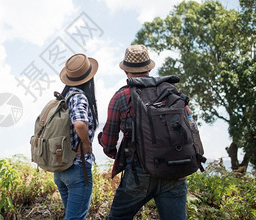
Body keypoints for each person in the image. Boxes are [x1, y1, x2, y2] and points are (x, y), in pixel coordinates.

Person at [98, 44, 189, 220]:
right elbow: (189, 123)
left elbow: (109, 142)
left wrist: (110, 150)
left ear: (126, 72)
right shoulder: (170, 91)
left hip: (140, 173)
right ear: (149, 68)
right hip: (176, 168)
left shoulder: (121, 97)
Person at [55, 53, 99, 220]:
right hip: (78, 169)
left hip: (61, 170)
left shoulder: (63, 98)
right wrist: (86, 144)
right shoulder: (79, 96)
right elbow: (79, 123)